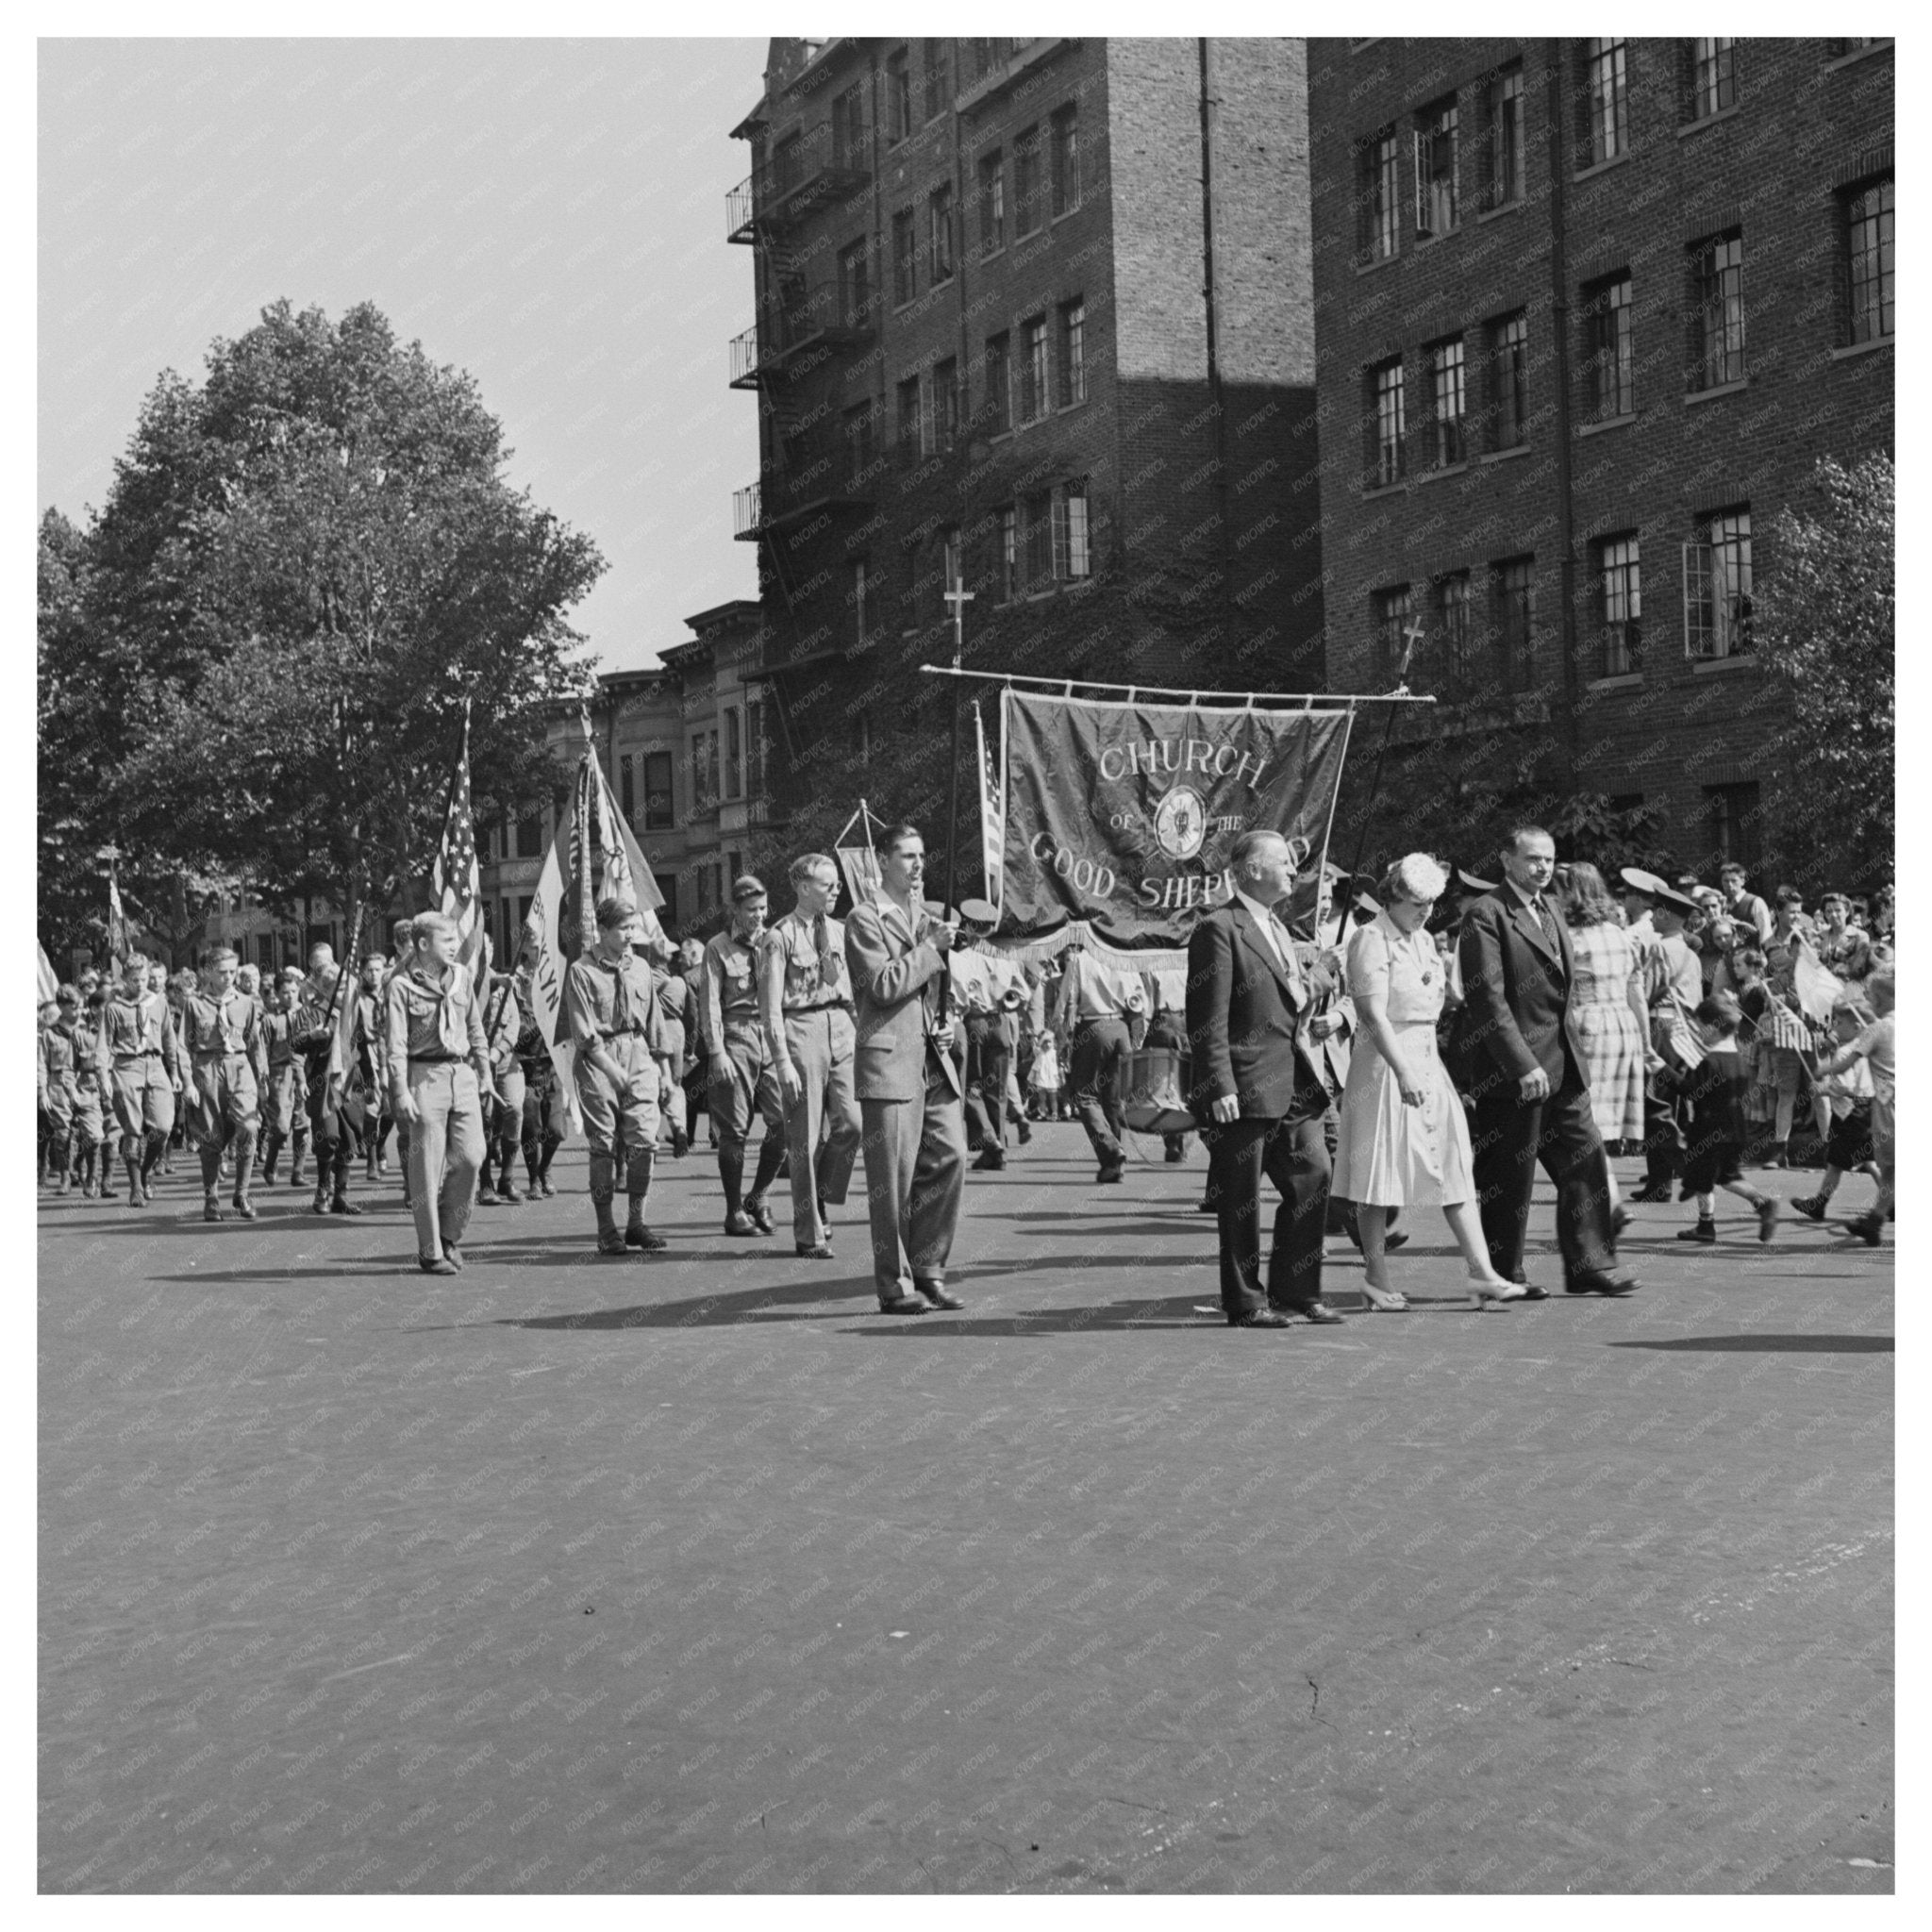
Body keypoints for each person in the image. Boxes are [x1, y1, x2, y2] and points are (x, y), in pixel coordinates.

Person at [1332, 855, 1527, 1309]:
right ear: (1393, 896)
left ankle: (1483, 1273)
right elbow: (1371, 1014)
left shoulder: (1423, 941)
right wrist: (1401, 1071)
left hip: (1427, 1059)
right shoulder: (1370, 938)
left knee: (1454, 1166)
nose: (1424, 911)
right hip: (1384, 1065)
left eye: (1430, 903)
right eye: (1416, 902)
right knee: (1377, 1174)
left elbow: (1442, 1000)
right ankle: (1377, 1277)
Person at [1456, 826, 1636, 1296]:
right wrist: (1521, 1064)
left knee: (1584, 1157)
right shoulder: (1487, 914)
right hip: (1516, 1071)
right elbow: (1487, 1000)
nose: (1543, 868)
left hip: (1564, 1064)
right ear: (1506, 859)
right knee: (1510, 1175)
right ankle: (1504, 1273)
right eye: (1532, 859)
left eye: (1549, 860)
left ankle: (1589, 1265)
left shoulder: (1553, 908)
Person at [1185, 828, 1345, 1329]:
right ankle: (1246, 1301)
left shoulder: (1279, 928)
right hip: (1245, 1085)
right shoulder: (1220, 927)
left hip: (1294, 1080)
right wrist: (1220, 1085)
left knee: (1314, 1178)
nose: (1294, 871)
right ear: (1252, 869)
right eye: (1284, 863)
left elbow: (1291, 996)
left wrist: (1321, 974)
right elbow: (1206, 1016)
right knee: (1241, 1200)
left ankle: (1298, 1291)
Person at [844, 823, 967, 1313]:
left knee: (952, 1155)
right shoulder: (863, 919)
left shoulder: (927, 917)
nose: (918, 866)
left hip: (931, 1060)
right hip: (890, 1061)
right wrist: (930, 949)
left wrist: (946, 1022)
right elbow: (882, 985)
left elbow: (936, 989)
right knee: (892, 1179)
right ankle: (894, 1285)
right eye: (907, 857)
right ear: (883, 861)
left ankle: (930, 1268)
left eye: (922, 857)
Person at [758, 854, 863, 1257]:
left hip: (841, 1028)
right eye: (827, 884)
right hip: (801, 1031)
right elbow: (770, 1008)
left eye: (837, 883)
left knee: (852, 1123)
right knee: (804, 1138)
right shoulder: (778, 937)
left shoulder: (839, 932)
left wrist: (861, 1035)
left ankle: (821, 1196)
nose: (836, 889)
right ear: (804, 888)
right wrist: (781, 1061)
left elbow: (852, 990)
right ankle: (808, 1233)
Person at [385, 909, 495, 1275]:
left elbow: (475, 1028)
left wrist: (484, 1072)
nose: (454, 947)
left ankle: (449, 1235)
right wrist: (400, 1091)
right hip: (423, 1075)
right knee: (426, 1169)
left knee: (471, 1157)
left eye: (455, 940)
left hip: (461, 1073)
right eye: (446, 941)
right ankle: (431, 1251)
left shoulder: (461, 978)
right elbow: (396, 1044)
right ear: (422, 944)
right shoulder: (401, 986)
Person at [563, 897, 671, 1256]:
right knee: (603, 1146)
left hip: (638, 1053)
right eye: (623, 929)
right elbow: (583, 1031)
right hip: (598, 1061)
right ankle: (606, 1229)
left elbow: (655, 1022)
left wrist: (666, 1073)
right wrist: (612, 1070)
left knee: (644, 1142)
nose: (630, 935)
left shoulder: (640, 966)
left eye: (633, 928)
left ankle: (636, 1223)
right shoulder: (581, 970)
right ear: (603, 930)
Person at [702, 877, 788, 1237]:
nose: (759, 915)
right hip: (735, 1038)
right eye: (751, 909)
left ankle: (760, 1196)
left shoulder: (774, 942)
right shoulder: (717, 948)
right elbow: (709, 1005)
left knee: (785, 1120)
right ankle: (734, 1210)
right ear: (735, 910)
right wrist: (717, 1050)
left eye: (763, 908)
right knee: (735, 1131)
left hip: (772, 1039)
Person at [1561, 863, 1649, 1182]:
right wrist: (1646, 1043)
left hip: (1588, 1024)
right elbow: (1636, 992)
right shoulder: (1621, 936)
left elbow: (1561, 993)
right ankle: (1606, 1194)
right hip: (1624, 1026)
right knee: (1599, 1123)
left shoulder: (1570, 938)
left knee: (1582, 1118)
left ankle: (1605, 1198)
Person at [1622, 870, 1703, 1203]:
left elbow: (1645, 993)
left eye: (1658, 912)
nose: (1653, 916)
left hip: (1659, 1029)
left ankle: (1682, 1168)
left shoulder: (1659, 949)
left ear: (1669, 916)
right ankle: (1660, 1180)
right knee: (1670, 1105)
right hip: (1683, 1033)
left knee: (1655, 1106)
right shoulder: (1691, 952)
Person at [1675, 991, 1782, 1243]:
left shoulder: (1710, 1062)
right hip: (1735, 1130)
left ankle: (1706, 1224)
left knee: (1704, 1180)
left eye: (1701, 1027)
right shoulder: (1738, 1061)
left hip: (1709, 1132)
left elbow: (1689, 1089)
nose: (1698, 1032)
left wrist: (1663, 1071)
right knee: (1728, 1177)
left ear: (1712, 1028)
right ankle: (1762, 1202)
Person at [179, 946, 270, 1222]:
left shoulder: (246, 1002)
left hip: (239, 1067)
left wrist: (262, 1077)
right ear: (208, 972)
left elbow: (255, 1043)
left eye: (232, 971)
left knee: (250, 1127)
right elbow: (183, 1046)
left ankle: (241, 1193)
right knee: (211, 1138)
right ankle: (212, 1198)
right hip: (208, 1070)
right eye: (222, 972)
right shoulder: (194, 1004)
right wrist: (187, 1083)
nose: (229, 977)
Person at [1053, 936, 1149, 1183]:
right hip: (1120, 1027)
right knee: (1113, 1099)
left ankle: (1111, 1150)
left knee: (1084, 1096)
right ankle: (1115, 1164)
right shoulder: (1122, 957)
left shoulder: (1078, 960)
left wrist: (1060, 1037)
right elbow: (1141, 1001)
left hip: (1092, 1026)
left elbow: (1065, 1001)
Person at [1809, 967, 1894, 1244]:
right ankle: (1875, 1220)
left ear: (1882, 1000)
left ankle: (1876, 1218)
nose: (1869, 1003)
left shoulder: (1878, 1028)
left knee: (1892, 1166)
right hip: (1883, 1100)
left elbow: (1847, 1063)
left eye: (1872, 998)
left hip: (1887, 1104)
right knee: (1890, 1168)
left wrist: (1823, 1072)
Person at [99, 952, 185, 1207]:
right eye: (135, 979)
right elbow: (103, 1045)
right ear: (125, 979)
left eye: (144, 978)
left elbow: (170, 1040)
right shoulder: (114, 1008)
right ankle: (136, 1185)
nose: (140, 984)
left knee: (162, 1127)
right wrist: (103, 1076)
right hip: (127, 1067)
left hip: (156, 1066)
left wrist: (175, 1072)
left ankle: (146, 1171)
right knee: (133, 1132)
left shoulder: (159, 1003)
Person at [1790, 998, 1881, 1224]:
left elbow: (1845, 1087)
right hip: (1868, 1108)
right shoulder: (1870, 1049)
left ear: (1856, 1027)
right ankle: (1892, 1203)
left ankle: (1819, 1204)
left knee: (1836, 1162)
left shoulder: (1844, 1054)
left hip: (1849, 1113)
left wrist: (1822, 1089)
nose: (1834, 1027)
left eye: (1839, 1022)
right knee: (1869, 1161)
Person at [950, 909, 1026, 1173]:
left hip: (974, 1020)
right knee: (997, 1089)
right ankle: (997, 1149)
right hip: (1001, 1021)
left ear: (970, 928)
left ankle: (990, 1140)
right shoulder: (1005, 957)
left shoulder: (961, 958)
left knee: (971, 1086)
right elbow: (1022, 994)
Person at [475, 963, 526, 1207]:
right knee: (483, 1119)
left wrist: (498, 1052)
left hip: (505, 1060)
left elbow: (514, 1024)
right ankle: (485, 1182)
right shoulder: (467, 984)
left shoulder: (505, 986)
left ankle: (507, 1178)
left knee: (514, 1109)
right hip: (475, 1062)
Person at [1719, 863, 1774, 947]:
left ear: (1742, 881)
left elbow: (1765, 935)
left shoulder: (1755, 902)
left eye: (1734, 881)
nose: (1730, 885)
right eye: (1726, 881)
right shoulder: (1720, 905)